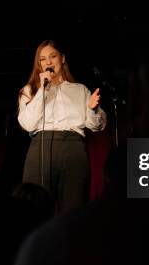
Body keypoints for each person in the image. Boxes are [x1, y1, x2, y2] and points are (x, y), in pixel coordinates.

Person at [18, 40, 107, 212]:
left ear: (63, 58)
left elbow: (96, 126)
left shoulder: (79, 89)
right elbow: (28, 124)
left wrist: (92, 110)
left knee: (74, 207)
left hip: (73, 148)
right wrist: (42, 92)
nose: (49, 62)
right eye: (43, 59)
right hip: (40, 147)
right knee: (34, 208)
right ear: (39, 64)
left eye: (53, 56)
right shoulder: (30, 90)